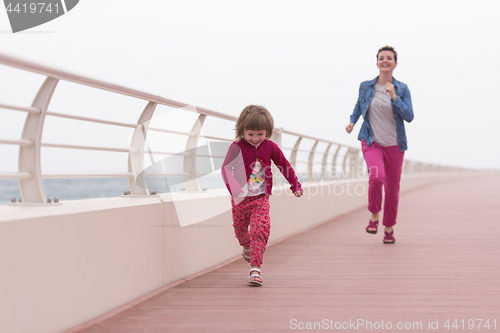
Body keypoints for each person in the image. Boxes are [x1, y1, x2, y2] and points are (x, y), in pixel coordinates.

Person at [222, 105, 303, 286]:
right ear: (242, 131)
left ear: (268, 132)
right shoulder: (236, 147)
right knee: (241, 233)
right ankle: (246, 246)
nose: (255, 139)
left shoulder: (270, 147)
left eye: (260, 134)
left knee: (260, 230)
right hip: (240, 200)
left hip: (260, 198)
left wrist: (295, 184)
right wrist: (235, 191)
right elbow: (226, 169)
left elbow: (284, 165)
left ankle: (255, 270)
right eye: (250, 134)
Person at [346, 46, 414, 244]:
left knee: (392, 190)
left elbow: (409, 116)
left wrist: (394, 97)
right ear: (377, 63)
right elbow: (359, 106)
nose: (385, 60)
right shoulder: (366, 86)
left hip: (395, 146)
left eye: (389, 58)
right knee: (376, 178)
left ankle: (389, 229)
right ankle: (374, 215)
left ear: (395, 63)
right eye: (382, 58)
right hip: (371, 141)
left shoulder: (402, 88)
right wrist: (352, 121)